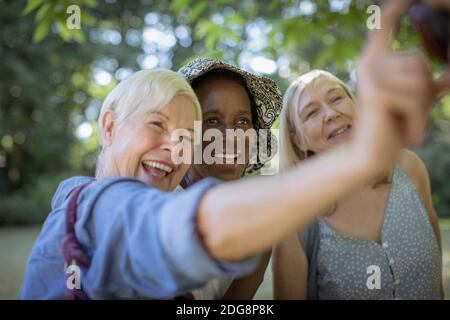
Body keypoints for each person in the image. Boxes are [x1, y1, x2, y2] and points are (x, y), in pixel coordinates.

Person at [19, 0, 443, 300]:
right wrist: (362, 155)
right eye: (157, 125)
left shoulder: (245, 225)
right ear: (109, 127)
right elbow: (191, 226)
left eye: (242, 122)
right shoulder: (92, 204)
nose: (177, 143)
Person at [273, 70, 443, 299]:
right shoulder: (294, 219)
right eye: (311, 112)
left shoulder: (410, 168)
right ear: (299, 140)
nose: (331, 113)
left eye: (336, 98)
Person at [177, 58, 282, 299]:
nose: (231, 136)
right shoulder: (156, 209)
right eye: (212, 120)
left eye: (242, 122)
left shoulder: (253, 224)